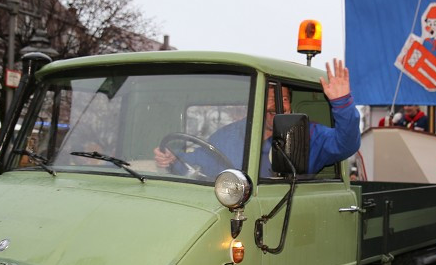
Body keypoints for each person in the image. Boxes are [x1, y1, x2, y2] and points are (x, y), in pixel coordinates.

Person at [153, 58, 360, 178]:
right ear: (255, 101)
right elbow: (199, 162)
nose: (275, 105)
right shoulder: (230, 134)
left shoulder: (309, 135)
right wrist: (173, 159)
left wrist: (342, 103)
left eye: (282, 98)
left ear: (290, 104)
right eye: (267, 98)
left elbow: (346, 144)